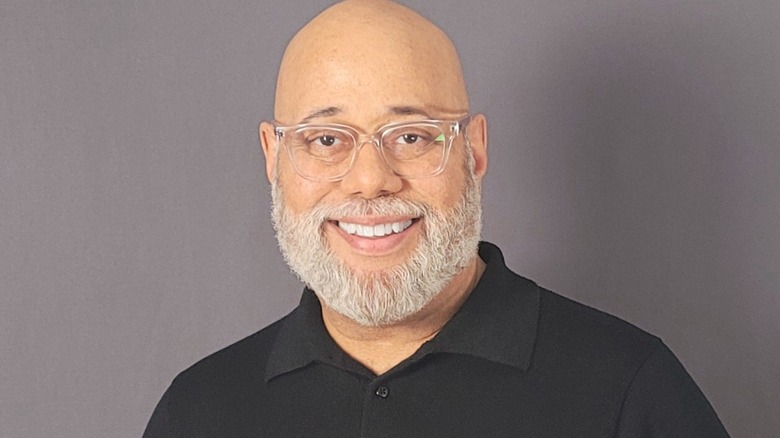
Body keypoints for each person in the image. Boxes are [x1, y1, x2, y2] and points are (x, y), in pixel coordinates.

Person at [143, 1, 729, 436]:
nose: (371, 179)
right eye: (325, 138)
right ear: (274, 157)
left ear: (473, 150)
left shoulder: (628, 389)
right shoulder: (198, 412)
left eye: (413, 136)